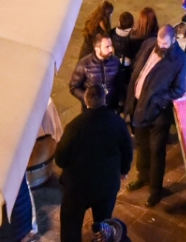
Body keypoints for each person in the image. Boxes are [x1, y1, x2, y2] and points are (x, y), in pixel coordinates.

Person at [124, 23, 186, 207]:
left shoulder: (181, 61)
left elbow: (179, 89)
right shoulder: (149, 45)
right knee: (143, 146)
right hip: (139, 108)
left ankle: (155, 190)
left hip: (158, 114)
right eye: (159, 43)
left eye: (165, 44)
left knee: (156, 151)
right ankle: (143, 176)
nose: (161, 46)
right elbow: (138, 69)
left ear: (173, 40)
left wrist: (158, 101)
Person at [56, 83, 133, 242]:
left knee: (70, 225)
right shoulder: (117, 123)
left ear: (86, 101)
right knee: (103, 226)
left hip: (77, 187)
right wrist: (123, 170)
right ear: (104, 100)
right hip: (107, 185)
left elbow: (60, 158)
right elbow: (127, 150)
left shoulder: (74, 126)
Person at [70, 33, 123, 108]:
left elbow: (120, 83)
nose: (111, 49)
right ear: (97, 49)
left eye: (111, 45)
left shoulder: (115, 61)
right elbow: (73, 87)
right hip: (91, 109)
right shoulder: (84, 64)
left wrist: (120, 101)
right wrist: (89, 99)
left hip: (111, 107)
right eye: (107, 47)